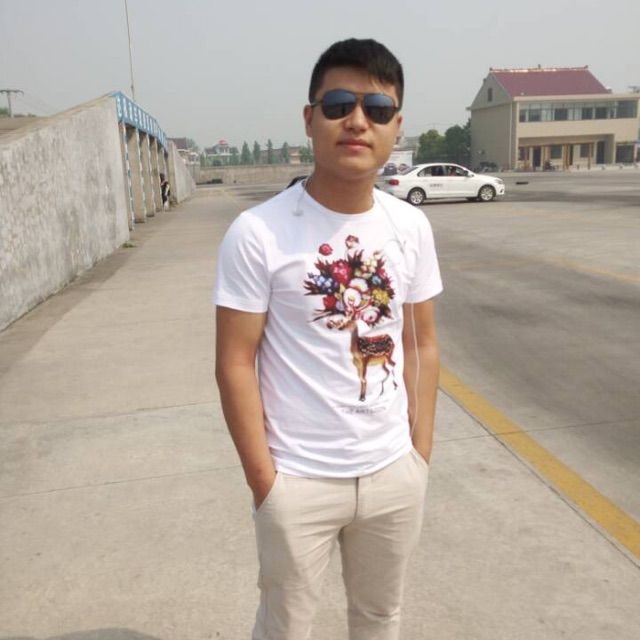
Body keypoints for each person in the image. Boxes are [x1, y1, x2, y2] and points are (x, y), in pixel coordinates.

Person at [214, 38, 442, 640]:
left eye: (378, 108)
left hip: (393, 472)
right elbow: (234, 362)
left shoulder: (410, 226)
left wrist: (418, 453)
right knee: (285, 628)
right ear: (310, 118)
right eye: (339, 104)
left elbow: (420, 342)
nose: (358, 121)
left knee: (380, 618)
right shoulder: (258, 232)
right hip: (298, 478)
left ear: (396, 126)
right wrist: (266, 483)